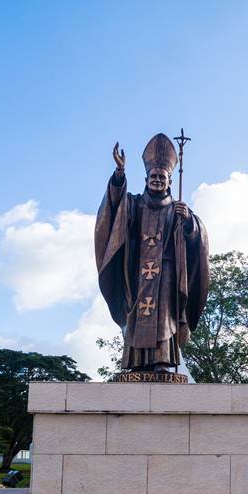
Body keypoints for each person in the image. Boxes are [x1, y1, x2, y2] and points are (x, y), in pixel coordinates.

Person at [93, 133, 209, 373]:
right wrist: (119, 175)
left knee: (164, 316)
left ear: (169, 181)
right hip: (138, 270)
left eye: (162, 177)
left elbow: (198, 240)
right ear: (146, 179)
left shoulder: (178, 210)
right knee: (138, 315)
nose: (157, 180)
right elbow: (114, 207)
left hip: (166, 271)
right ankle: (137, 363)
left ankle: (161, 362)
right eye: (153, 176)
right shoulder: (135, 204)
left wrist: (188, 222)